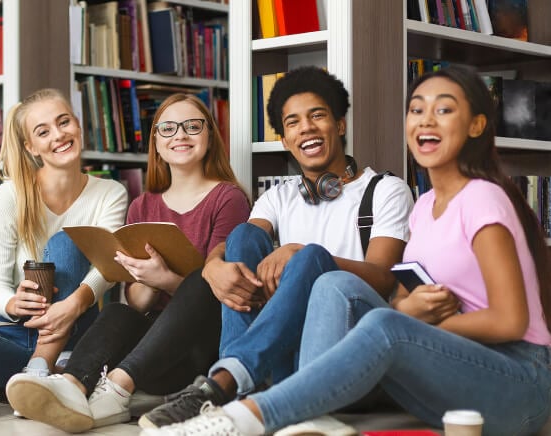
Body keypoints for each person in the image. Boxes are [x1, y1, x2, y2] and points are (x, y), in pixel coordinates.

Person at [142, 65, 551, 436]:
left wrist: (410, 323)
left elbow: (509, 321)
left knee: (340, 285)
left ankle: (239, 410)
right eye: (416, 110)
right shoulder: (426, 208)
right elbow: (407, 299)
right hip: (442, 369)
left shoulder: (478, 198)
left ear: (477, 124)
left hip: (511, 376)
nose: (426, 119)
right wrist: (213, 265)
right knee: (255, 246)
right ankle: (268, 395)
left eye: (444, 110)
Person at [138, 66, 416, 429]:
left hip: (351, 340)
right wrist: (212, 266)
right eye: (293, 123)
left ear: (341, 125)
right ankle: (236, 390)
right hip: (288, 346)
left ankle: (223, 384)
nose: (307, 128)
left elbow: (382, 278)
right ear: (285, 140)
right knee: (242, 237)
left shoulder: (385, 190)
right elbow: (239, 242)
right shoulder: (278, 197)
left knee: (313, 256)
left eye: (317, 115)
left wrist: (303, 252)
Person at [3, 93, 251, 433]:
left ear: (209, 137)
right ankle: (73, 386)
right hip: (152, 354)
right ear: (157, 145)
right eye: (168, 129)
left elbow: (219, 292)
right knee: (118, 311)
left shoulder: (229, 198)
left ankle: (116, 389)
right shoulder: (142, 206)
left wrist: (166, 279)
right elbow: (136, 302)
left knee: (203, 278)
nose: (180, 135)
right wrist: (145, 279)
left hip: (201, 347)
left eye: (193, 126)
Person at [0, 88, 128, 391]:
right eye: (43, 132)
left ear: (78, 126)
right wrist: (12, 302)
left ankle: (41, 366)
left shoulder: (111, 193)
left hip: (78, 323)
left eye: (64, 123)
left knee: (66, 243)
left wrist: (72, 306)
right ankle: (58, 370)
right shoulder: (9, 195)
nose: (58, 135)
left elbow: (107, 269)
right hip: (17, 330)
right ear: (31, 147)